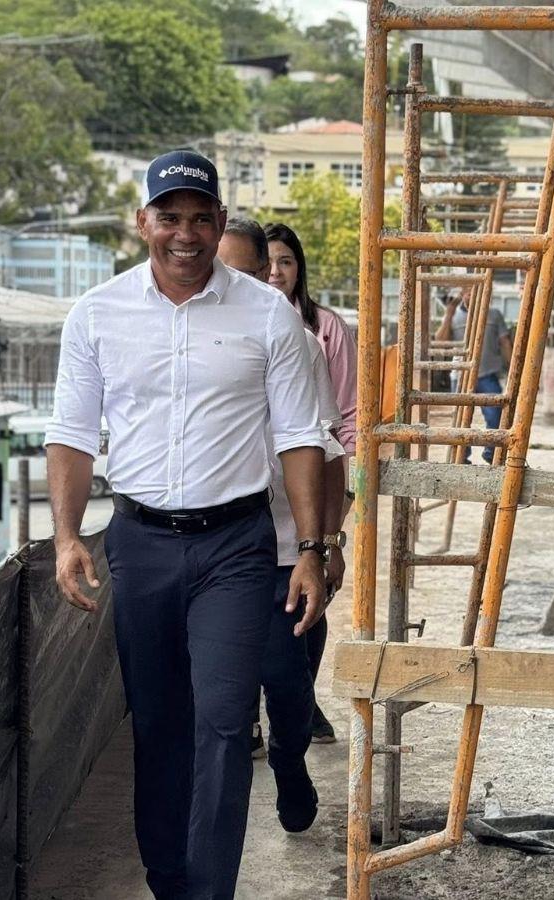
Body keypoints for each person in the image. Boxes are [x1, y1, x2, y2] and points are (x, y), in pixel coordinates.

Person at [45, 149, 328, 899]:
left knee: (227, 723)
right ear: (144, 222)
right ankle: (169, 878)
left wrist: (311, 549)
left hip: (236, 546)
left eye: (201, 219)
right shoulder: (97, 314)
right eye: (170, 217)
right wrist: (68, 537)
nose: (186, 234)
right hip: (138, 541)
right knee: (159, 723)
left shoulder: (268, 314)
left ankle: (210, 889)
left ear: (221, 224)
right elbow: (72, 433)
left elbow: (301, 437)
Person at [218, 218, 345, 818]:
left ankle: (290, 759)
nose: (253, 284)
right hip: (216, 551)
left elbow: (329, 449)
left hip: (284, 549)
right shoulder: (182, 342)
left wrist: (324, 543)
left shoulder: (302, 343)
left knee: (286, 679)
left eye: (259, 272)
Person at [265, 222, 355, 744]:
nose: (274, 274)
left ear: (300, 270)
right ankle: (262, 719)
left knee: (307, 600)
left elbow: (343, 422)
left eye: (285, 263)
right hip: (253, 501)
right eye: (265, 264)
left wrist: (335, 523)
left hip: (315, 488)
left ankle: (300, 707)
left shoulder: (321, 332)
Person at [434, 287, 512, 464]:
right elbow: (440, 342)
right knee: (461, 419)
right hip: (460, 375)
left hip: (488, 374)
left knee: (496, 415)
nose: (472, 295)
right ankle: (462, 456)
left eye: (477, 290)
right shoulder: (453, 316)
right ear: (462, 294)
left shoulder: (494, 315)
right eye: (468, 291)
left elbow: (505, 342)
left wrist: (512, 369)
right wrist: (448, 314)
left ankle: (492, 453)